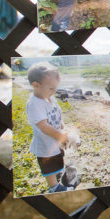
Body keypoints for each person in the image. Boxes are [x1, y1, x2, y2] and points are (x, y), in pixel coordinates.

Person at [25, 62, 70, 193]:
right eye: (50, 89)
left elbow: (57, 113)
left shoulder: (48, 97)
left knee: (58, 157)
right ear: (36, 85)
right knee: (48, 165)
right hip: (45, 143)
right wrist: (60, 135)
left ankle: (58, 174)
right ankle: (54, 187)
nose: (53, 92)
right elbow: (43, 126)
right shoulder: (34, 103)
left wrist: (62, 126)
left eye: (55, 88)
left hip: (55, 139)